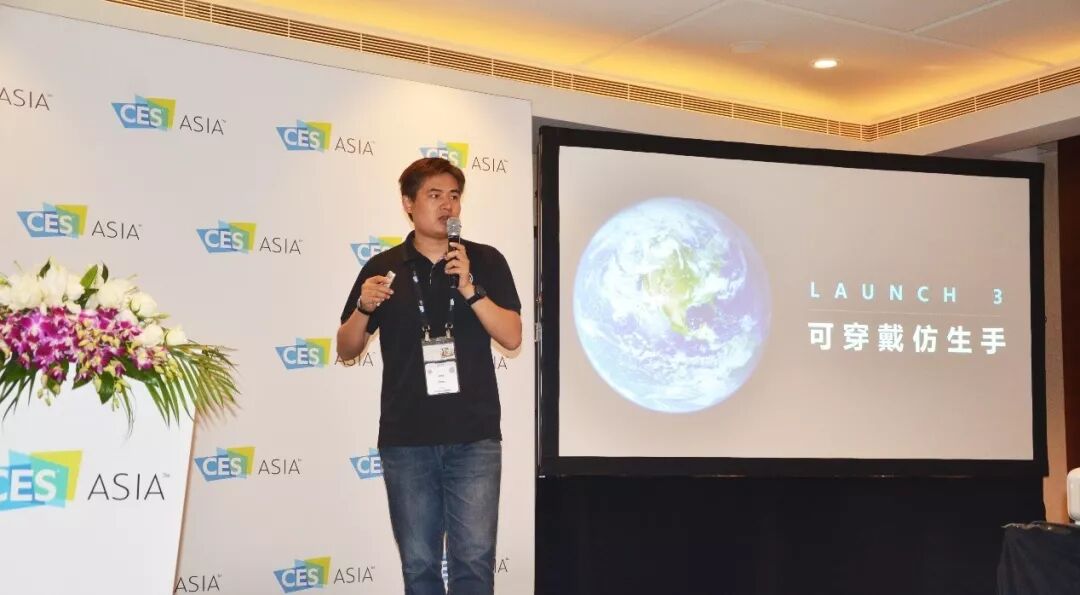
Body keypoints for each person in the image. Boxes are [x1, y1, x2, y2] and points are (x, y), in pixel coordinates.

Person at [337, 157, 522, 595]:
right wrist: (363, 306)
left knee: (473, 562)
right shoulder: (384, 268)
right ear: (408, 203)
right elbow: (346, 348)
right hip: (407, 439)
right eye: (434, 195)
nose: (447, 205)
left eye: (454, 196)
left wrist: (471, 289)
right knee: (419, 565)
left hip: (474, 437)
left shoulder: (485, 261)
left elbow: (512, 336)